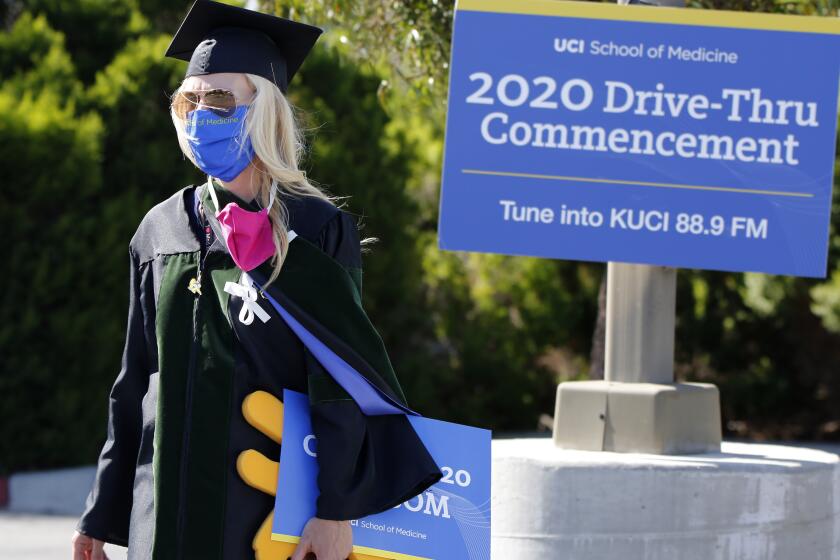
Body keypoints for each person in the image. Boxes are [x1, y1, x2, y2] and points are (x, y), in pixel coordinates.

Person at [71, 1, 442, 559]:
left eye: (219, 100)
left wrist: (334, 511)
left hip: (264, 514)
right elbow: (134, 383)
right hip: (163, 515)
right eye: (188, 100)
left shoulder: (316, 229)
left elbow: (340, 379)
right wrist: (101, 514)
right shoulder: (160, 230)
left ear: (263, 110)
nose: (199, 115)